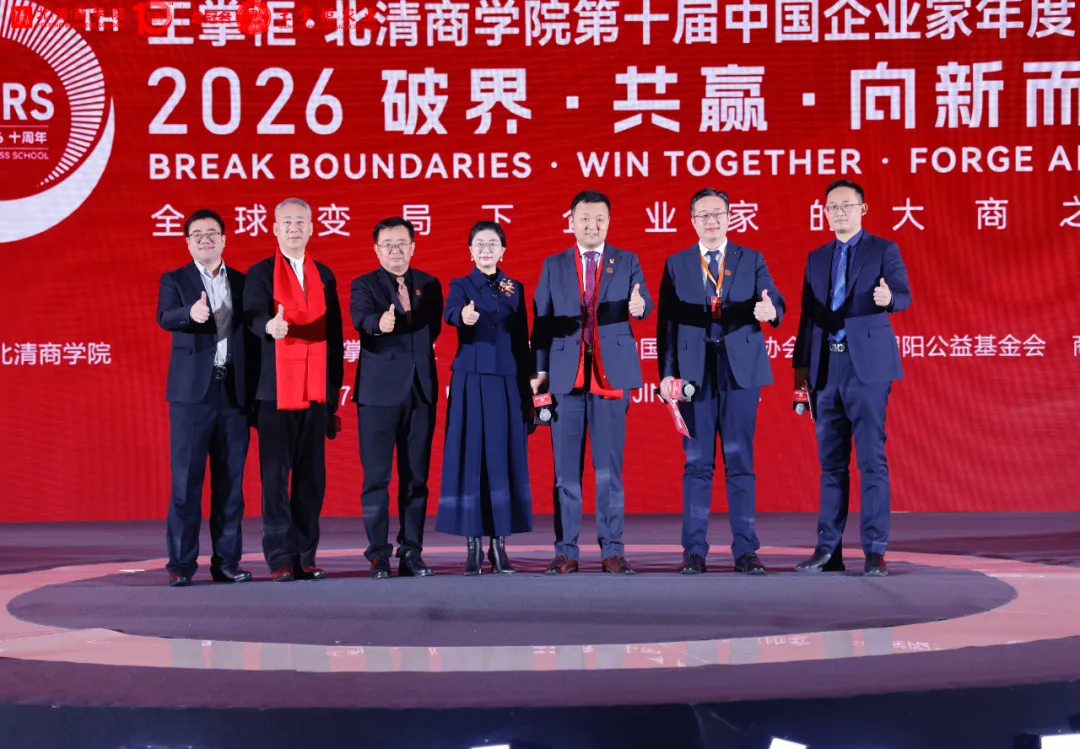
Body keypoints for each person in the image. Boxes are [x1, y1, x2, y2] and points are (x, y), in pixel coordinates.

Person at [656, 188, 785, 576]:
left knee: (740, 460)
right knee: (697, 464)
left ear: (730, 217)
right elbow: (666, 324)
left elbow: (774, 300)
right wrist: (666, 373)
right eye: (703, 215)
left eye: (718, 214)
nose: (711, 221)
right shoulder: (677, 263)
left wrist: (771, 310)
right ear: (692, 220)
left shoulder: (751, 258)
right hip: (693, 374)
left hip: (739, 371)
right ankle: (693, 551)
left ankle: (746, 551)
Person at [792, 179, 912, 577]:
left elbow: (904, 294)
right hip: (827, 368)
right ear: (825, 213)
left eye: (846, 205)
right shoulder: (816, 258)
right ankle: (829, 550)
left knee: (871, 460)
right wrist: (801, 378)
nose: (839, 212)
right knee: (830, 464)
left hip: (868, 369)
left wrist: (889, 299)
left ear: (863, 209)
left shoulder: (883, 249)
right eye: (832, 207)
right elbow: (808, 317)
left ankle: (875, 550)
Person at [530, 190, 653, 575]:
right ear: (571, 222)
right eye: (584, 218)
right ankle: (565, 551)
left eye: (600, 218)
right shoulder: (554, 264)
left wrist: (640, 307)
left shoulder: (626, 260)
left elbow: (643, 301)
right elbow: (541, 322)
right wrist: (539, 373)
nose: (592, 225)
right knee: (565, 474)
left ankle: (612, 549)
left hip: (610, 378)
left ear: (609, 222)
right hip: (565, 378)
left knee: (609, 472)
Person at [243, 197, 344, 582]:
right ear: (274, 228)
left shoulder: (324, 275)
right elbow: (251, 314)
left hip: (315, 390)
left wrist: (332, 392)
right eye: (287, 222)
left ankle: (305, 555)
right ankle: (280, 557)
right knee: (275, 479)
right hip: (275, 391)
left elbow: (334, 336)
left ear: (312, 227)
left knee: (310, 478)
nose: (294, 228)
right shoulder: (260, 273)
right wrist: (269, 326)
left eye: (301, 221)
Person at [156, 208, 256, 587]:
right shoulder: (175, 279)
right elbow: (165, 316)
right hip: (191, 398)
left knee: (231, 485)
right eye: (197, 234)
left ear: (224, 239)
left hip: (233, 394)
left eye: (211, 233)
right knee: (186, 483)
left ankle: (226, 563)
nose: (204, 239)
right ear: (188, 242)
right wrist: (190, 312)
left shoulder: (244, 282)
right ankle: (181, 564)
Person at [436, 221, 533, 575]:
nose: (486, 249)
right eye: (479, 243)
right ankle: (473, 546)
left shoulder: (515, 287)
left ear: (503, 251)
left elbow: (522, 339)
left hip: (507, 380)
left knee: (504, 459)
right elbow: (450, 313)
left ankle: (500, 545)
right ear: (470, 251)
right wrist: (462, 316)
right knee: (472, 457)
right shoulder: (461, 285)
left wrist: (530, 386)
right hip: (472, 378)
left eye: (493, 243)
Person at [349, 217, 443, 579]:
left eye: (401, 243)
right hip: (378, 395)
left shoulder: (429, 284)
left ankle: (411, 551)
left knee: (416, 478)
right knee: (377, 478)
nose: (395, 250)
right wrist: (379, 324)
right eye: (387, 244)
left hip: (420, 392)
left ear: (413, 247)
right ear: (376, 250)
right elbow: (361, 318)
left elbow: (432, 329)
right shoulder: (364, 284)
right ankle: (378, 554)